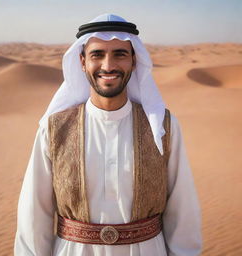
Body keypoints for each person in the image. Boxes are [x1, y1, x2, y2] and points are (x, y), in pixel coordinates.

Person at [14, 14, 202, 256]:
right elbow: (34, 214)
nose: (108, 65)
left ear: (134, 61)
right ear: (82, 61)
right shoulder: (54, 130)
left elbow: (183, 210)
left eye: (120, 54)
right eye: (97, 54)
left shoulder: (163, 127)